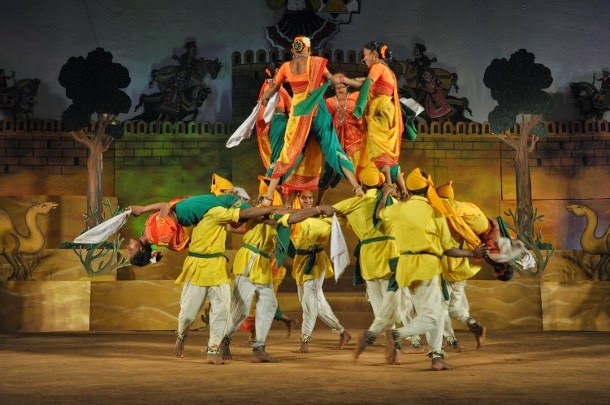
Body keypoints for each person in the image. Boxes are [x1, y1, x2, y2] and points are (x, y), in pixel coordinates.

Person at [376, 168, 488, 370]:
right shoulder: (435, 211)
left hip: (403, 268)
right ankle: (412, 343)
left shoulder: (399, 209)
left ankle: (432, 352)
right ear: (428, 187)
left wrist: (385, 194)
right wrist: (474, 254)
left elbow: (379, 214)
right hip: (426, 267)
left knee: (422, 311)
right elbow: (448, 249)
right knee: (434, 315)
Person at [259, 36, 364, 207]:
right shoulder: (316, 62)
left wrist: (264, 98)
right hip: (317, 109)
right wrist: (353, 81)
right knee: (333, 147)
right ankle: (356, 188)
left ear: (293, 50)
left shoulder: (285, 67)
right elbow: (332, 80)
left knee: (288, 153)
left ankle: (268, 196)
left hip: (298, 114)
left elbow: (272, 90)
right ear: (308, 49)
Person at [172, 195, 277, 364]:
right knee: (188, 314)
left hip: (218, 267)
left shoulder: (221, 213)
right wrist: (271, 209)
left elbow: (241, 221)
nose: (240, 203)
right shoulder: (216, 211)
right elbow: (244, 214)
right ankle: (181, 336)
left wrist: (268, 214)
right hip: (197, 267)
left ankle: (212, 351)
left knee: (221, 311)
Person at [318, 164, 405, 363]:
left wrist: (319, 206)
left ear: (363, 185)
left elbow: (329, 211)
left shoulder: (353, 202)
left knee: (378, 304)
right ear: (381, 183)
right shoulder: (392, 201)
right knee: (391, 303)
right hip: (390, 254)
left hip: (368, 257)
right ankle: (395, 346)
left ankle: (392, 345)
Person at [276, 190, 351, 353]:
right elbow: (280, 216)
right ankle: (342, 332)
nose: (308, 200)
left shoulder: (327, 218)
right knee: (317, 302)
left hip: (316, 261)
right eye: (304, 198)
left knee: (308, 302)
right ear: (299, 199)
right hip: (300, 262)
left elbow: (345, 217)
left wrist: (329, 209)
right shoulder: (295, 216)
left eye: (310, 198)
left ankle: (305, 340)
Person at [338, 41, 408, 199]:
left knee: (378, 147)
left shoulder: (377, 67)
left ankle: (389, 184)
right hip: (386, 111)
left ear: (374, 55)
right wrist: (347, 81)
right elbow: (365, 82)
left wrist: (359, 108)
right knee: (384, 148)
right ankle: (395, 186)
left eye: (365, 57)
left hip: (378, 112)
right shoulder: (387, 70)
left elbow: (367, 84)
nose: (365, 60)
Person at [126, 174, 238, 266]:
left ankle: (242, 213)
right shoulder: (157, 235)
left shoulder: (147, 233)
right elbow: (165, 206)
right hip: (187, 212)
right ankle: (240, 202)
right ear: (141, 249)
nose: (128, 247)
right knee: (224, 198)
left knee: (223, 210)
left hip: (185, 209)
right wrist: (143, 209)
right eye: (131, 250)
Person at [317, 73, 364, 204]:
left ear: (347, 84)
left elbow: (367, 83)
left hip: (356, 141)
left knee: (360, 173)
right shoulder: (329, 102)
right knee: (327, 174)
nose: (338, 84)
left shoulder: (356, 97)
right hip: (336, 142)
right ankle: (319, 202)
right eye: (335, 82)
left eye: (341, 81)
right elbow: (323, 119)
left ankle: (364, 200)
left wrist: (350, 79)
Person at [256, 62, 292, 172]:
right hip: (278, 123)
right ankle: (271, 187)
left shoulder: (278, 87)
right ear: (277, 71)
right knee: (277, 159)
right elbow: (267, 104)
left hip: (282, 123)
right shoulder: (271, 86)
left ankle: (276, 185)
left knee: (281, 158)